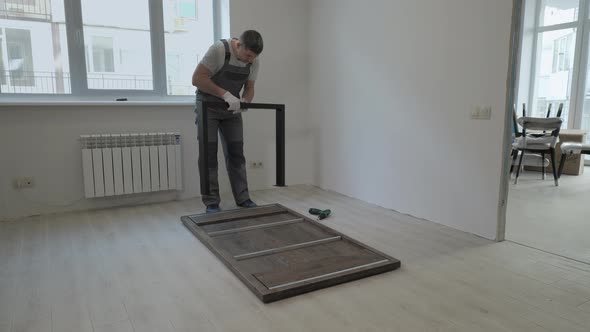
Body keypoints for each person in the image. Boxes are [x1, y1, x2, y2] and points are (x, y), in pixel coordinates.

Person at [192, 30, 263, 213]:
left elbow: (249, 87)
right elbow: (197, 78)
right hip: (207, 107)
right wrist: (224, 94)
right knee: (208, 155)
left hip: (231, 110)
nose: (249, 60)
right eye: (247, 55)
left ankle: (243, 198)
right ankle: (212, 202)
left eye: (252, 58)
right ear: (238, 44)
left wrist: (245, 102)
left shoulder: (253, 61)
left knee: (237, 154)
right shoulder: (219, 50)